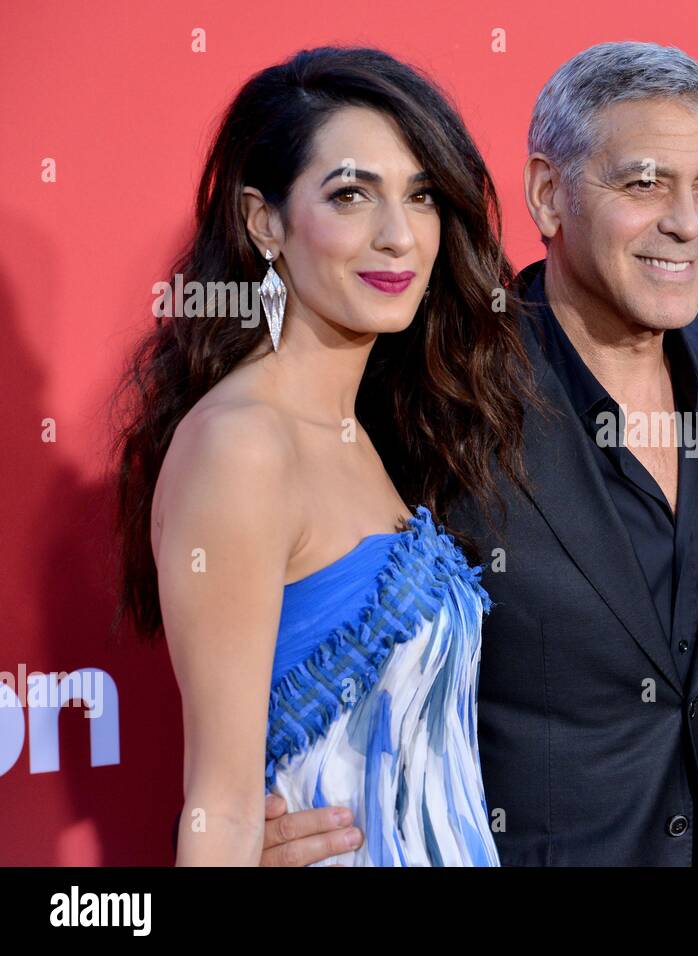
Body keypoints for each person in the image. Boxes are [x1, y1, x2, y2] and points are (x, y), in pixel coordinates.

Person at [260, 41, 698, 866]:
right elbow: (305, 605)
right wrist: (256, 810)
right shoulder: (430, 382)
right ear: (548, 193)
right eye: (644, 183)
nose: (688, 221)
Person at [111, 47, 534, 865]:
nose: (398, 235)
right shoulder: (242, 446)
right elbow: (223, 810)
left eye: (420, 196)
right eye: (350, 195)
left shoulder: (370, 430)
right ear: (263, 221)